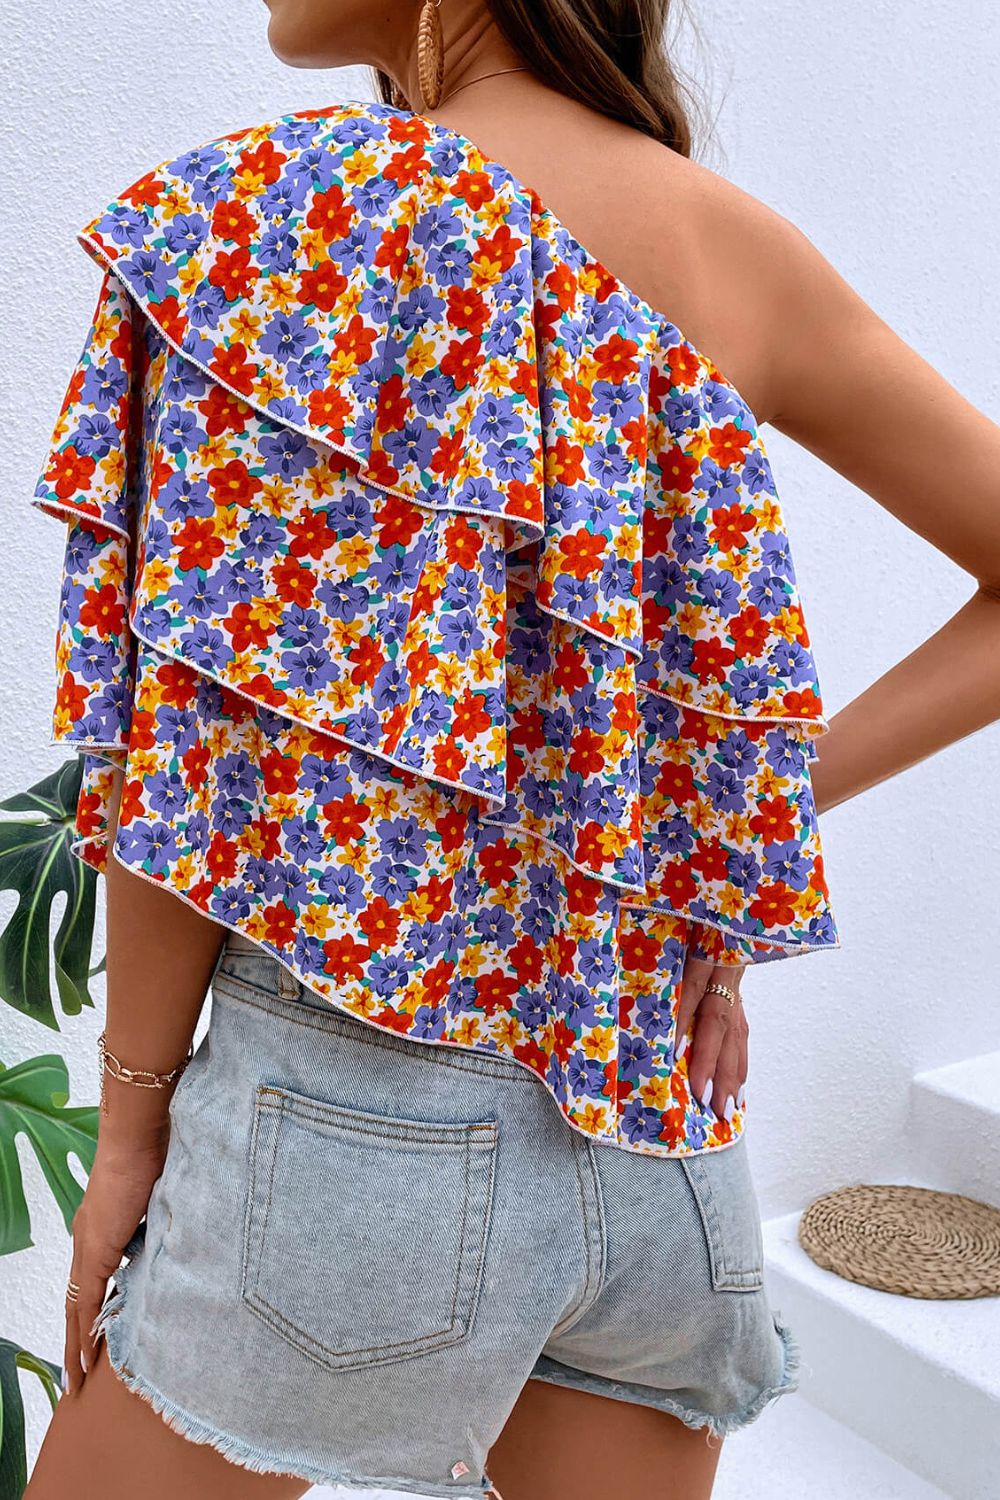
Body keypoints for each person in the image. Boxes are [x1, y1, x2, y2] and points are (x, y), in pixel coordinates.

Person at [22, 2, 1000, 1498]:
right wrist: (709, 828)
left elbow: (187, 764)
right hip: (664, 1155)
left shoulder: (273, 214)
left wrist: (131, 1131)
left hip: (343, 1146)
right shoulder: (737, 248)